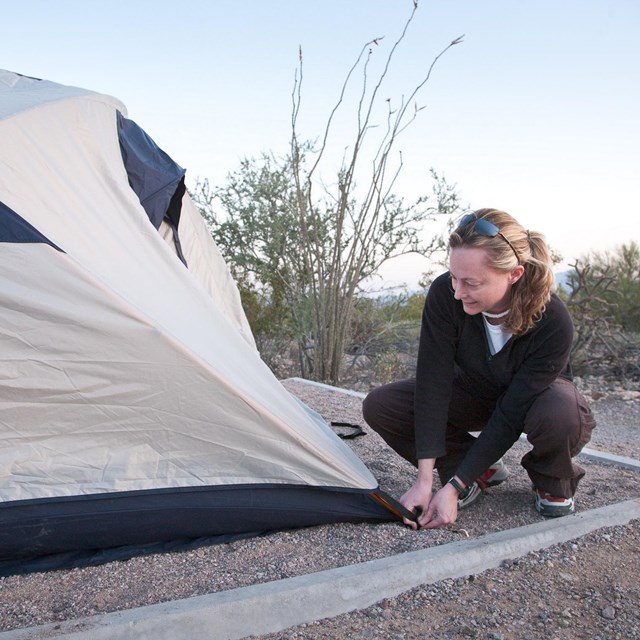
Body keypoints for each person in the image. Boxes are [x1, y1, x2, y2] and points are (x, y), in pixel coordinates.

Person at [363, 208, 596, 530]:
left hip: (534, 402)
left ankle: (550, 476)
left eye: (471, 283)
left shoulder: (552, 320)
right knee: (384, 405)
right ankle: (470, 468)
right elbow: (433, 383)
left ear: (513, 275)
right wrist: (424, 480)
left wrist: (453, 487)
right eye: (455, 278)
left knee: (560, 412)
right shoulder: (446, 295)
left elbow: (512, 413)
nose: (458, 293)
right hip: (474, 391)